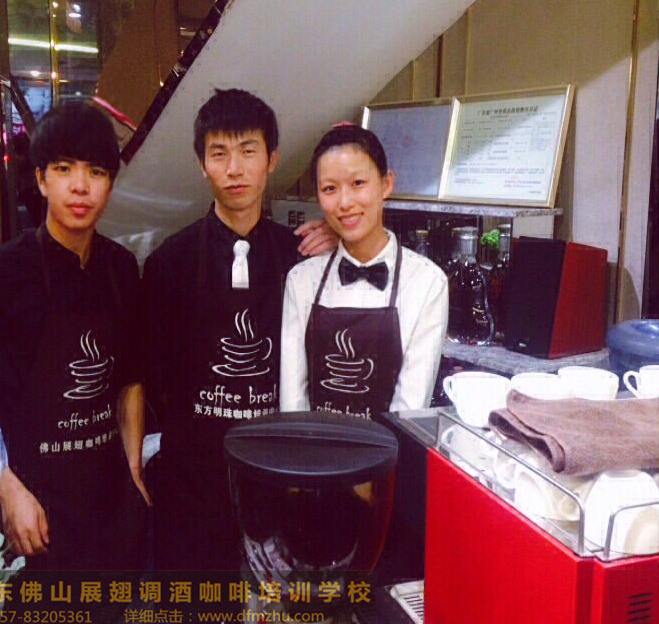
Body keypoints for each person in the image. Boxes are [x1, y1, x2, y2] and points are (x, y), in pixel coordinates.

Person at [0, 102, 149, 575]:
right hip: (30, 505)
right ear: (40, 180)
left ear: (110, 185)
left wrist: (134, 474)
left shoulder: (121, 268)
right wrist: (4, 486)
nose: (80, 186)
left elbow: (130, 380)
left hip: (108, 507)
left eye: (96, 172)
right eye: (64, 169)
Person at [141, 88, 335, 571]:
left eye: (248, 151)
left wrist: (342, 238)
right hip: (191, 483)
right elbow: (155, 378)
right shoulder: (169, 261)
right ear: (201, 164)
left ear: (271, 160)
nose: (234, 169)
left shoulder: (301, 258)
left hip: (278, 475)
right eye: (219, 153)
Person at [280, 124, 448, 419]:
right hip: (312, 444)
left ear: (386, 184)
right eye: (330, 189)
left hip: (389, 446)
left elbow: (411, 406)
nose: (345, 203)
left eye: (358, 183)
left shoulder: (427, 282)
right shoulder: (301, 280)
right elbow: (293, 402)